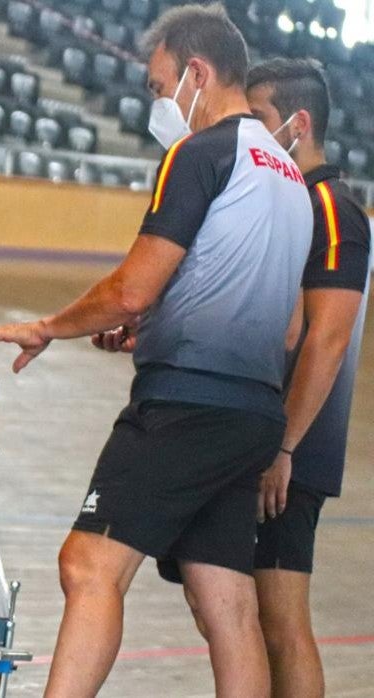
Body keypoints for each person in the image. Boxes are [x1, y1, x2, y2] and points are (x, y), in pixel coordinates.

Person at [0, 5, 313, 696]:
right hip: (252, 414)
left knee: (88, 564)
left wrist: (47, 326)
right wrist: (160, 326)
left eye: (159, 87)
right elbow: (283, 329)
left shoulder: (201, 153)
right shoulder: (288, 175)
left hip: (185, 408)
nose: (158, 103)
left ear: (196, 73)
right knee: (227, 603)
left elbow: (130, 290)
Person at [218, 58, 365, 698]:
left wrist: (284, 449)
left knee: (281, 622)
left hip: (293, 453)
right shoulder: (292, 201)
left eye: (260, 120)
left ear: (297, 125)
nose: (251, 134)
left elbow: (327, 339)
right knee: (250, 616)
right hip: (270, 441)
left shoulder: (331, 208)